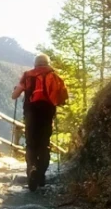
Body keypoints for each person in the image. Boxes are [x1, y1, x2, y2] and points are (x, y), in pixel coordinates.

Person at [11, 53, 68, 191]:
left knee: (31, 144)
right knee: (44, 144)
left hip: (31, 114)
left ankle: (32, 169)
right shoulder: (55, 76)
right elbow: (63, 99)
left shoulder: (28, 75)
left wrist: (17, 90)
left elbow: (15, 96)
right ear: (47, 63)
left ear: (35, 63)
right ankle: (41, 175)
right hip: (47, 114)